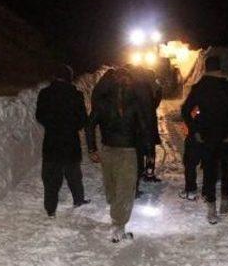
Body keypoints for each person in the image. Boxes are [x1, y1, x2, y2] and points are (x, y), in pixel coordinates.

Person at [86, 68, 152, 242]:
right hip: (128, 151)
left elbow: (89, 125)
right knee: (125, 189)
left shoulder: (101, 103)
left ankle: (116, 219)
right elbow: (145, 128)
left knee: (112, 186)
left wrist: (92, 148)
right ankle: (119, 226)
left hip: (108, 150)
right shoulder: (136, 103)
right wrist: (148, 151)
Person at [181, 56, 228, 224]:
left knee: (210, 170)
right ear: (219, 69)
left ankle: (212, 209)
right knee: (226, 170)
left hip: (207, 136)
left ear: (206, 68)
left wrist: (195, 130)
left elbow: (185, 110)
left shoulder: (199, 87)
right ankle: (225, 203)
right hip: (227, 137)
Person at [36, 64, 90, 217]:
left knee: (51, 177)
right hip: (70, 141)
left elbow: (39, 116)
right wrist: (71, 126)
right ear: (69, 78)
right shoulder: (76, 95)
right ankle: (78, 199)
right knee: (73, 174)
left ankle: (50, 208)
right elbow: (82, 119)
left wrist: (52, 125)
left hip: (51, 141)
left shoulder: (44, 94)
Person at [126, 64, 163, 184]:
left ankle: (139, 172)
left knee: (138, 148)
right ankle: (149, 172)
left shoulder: (130, 86)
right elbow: (156, 102)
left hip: (135, 123)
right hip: (150, 121)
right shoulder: (152, 84)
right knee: (150, 148)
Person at [178, 104, 203, 201]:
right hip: (192, 139)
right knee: (189, 165)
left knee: (190, 165)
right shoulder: (194, 108)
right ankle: (189, 189)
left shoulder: (200, 109)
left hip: (195, 141)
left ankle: (191, 190)